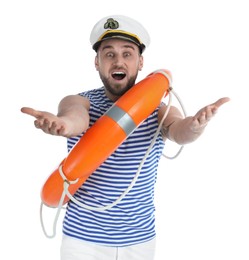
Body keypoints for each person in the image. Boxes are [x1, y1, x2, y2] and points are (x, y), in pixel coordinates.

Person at [21, 15, 230, 260]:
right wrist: (60, 125)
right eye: (108, 54)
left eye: (127, 54)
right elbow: (74, 120)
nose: (118, 60)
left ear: (140, 63)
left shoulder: (159, 109)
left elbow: (179, 131)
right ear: (96, 62)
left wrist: (196, 125)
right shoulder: (80, 101)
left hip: (139, 241)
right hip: (82, 240)